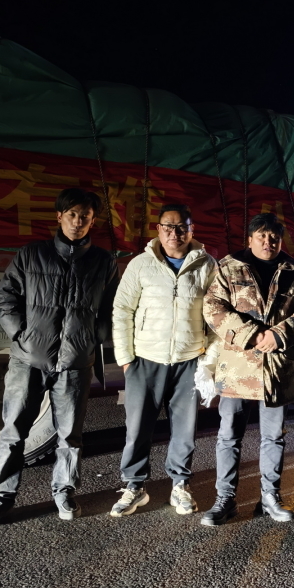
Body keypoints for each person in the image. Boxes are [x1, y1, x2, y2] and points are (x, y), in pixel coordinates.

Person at [0, 188, 118, 529]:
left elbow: (112, 308)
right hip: (29, 359)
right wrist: (21, 335)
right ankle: (0, 499)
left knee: (70, 436)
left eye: (85, 216)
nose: (78, 221)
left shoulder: (103, 261)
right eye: (72, 214)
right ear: (59, 216)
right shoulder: (32, 254)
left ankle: (64, 492)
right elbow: (6, 296)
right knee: (13, 432)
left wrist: (94, 338)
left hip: (76, 362)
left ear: (93, 221)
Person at [200, 213, 294, 525]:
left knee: (273, 437)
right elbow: (213, 307)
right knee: (229, 436)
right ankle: (225, 499)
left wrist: (279, 334)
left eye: (274, 237)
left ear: (281, 240)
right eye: (261, 236)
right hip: (237, 368)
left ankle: (269, 498)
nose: (268, 242)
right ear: (250, 239)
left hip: (277, 368)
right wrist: (252, 334)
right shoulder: (228, 267)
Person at [108, 204, 217, 517]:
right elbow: (122, 310)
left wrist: (207, 360)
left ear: (191, 230)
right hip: (145, 359)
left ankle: (180, 485)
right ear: (158, 229)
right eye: (168, 226)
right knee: (137, 428)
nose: (175, 233)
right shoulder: (141, 264)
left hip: (188, 360)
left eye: (182, 227)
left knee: (184, 430)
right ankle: (134, 486)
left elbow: (216, 316)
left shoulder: (207, 265)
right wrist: (126, 358)